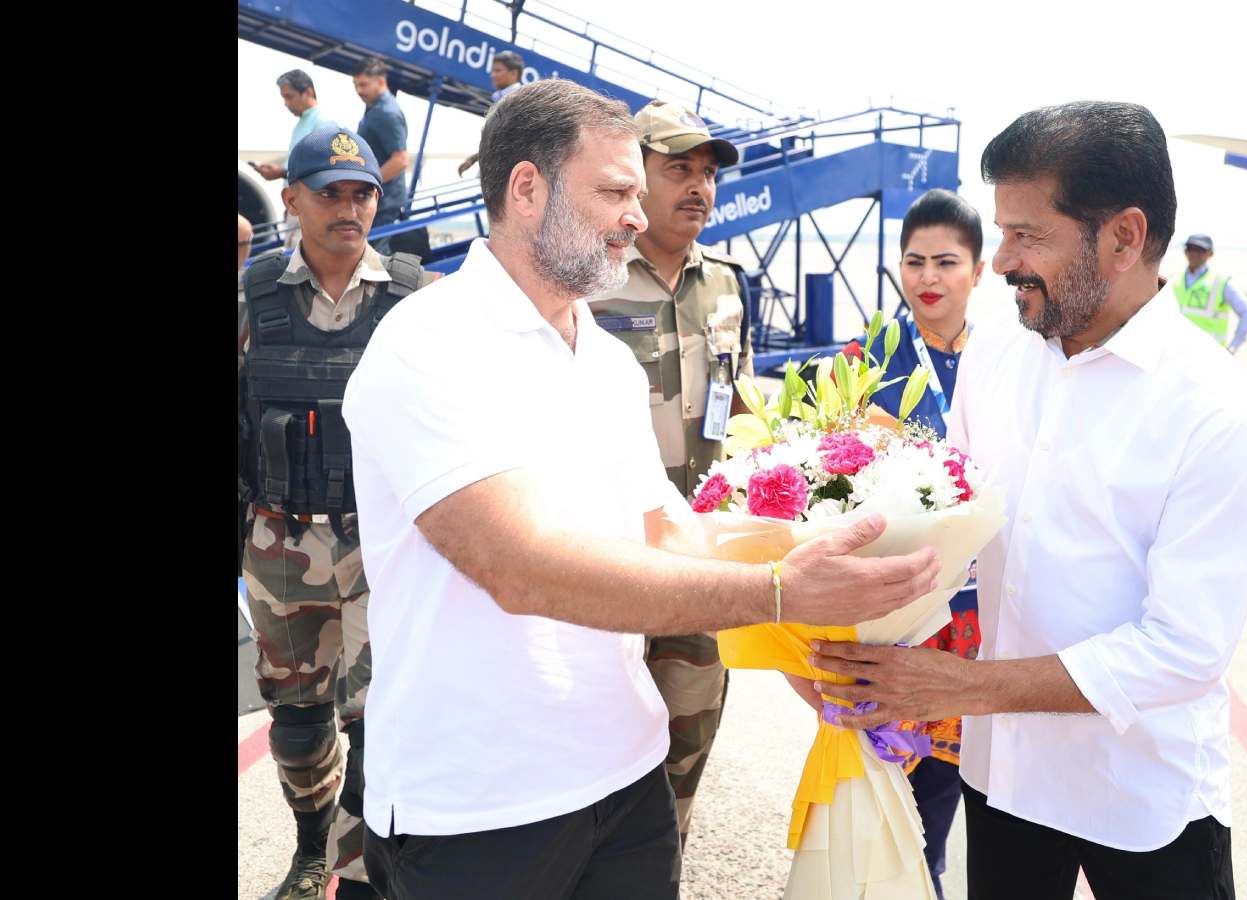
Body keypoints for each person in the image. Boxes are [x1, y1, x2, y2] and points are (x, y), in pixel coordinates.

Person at [341, 78, 941, 900]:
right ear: (526, 190)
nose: (636, 213)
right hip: (479, 808)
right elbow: (522, 568)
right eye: (617, 190)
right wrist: (773, 593)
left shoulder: (604, 359)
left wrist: (826, 625)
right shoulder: (428, 344)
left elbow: (666, 530)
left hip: (626, 780)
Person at [811, 101, 1247, 900]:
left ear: (1124, 238)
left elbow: (1183, 650)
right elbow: (949, 520)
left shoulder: (1216, 412)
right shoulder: (998, 353)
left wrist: (965, 690)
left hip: (1142, 796)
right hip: (1005, 776)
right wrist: (844, 624)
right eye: (1000, 233)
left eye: (1027, 236)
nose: (999, 262)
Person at [239, 124, 438, 900]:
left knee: (378, 715)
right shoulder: (252, 296)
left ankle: (362, 869)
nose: (348, 208)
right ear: (292, 200)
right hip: (279, 542)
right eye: (329, 193)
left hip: (385, 547)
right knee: (296, 725)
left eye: (362, 194)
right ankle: (310, 845)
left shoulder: (415, 297)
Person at [583, 98, 746, 850]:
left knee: (689, 731)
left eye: (707, 173)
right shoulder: (591, 279)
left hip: (696, 553)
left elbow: (736, 409)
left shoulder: (727, 285)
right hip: (607, 554)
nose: (698, 187)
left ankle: (663, 867)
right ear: (634, 175)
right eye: (677, 168)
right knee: (593, 740)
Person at [827, 187, 985, 900]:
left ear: (978, 271)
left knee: (944, 805)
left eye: (946, 262)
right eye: (914, 261)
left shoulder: (1008, 360)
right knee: (875, 802)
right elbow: (823, 476)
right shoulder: (868, 358)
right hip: (891, 615)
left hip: (975, 624)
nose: (928, 277)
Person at [249, 70, 329, 251]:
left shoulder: (323, 124)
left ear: (308, 92)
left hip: (309, 208)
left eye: (289, 97)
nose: (286, 104)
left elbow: (321, 168)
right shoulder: (301, 125)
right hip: (296, 206)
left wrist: (281, 173)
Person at [352, 58, 411, 251]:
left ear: (381, 81)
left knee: (376, 259)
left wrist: (366, 184)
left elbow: (401, 159)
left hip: (385, 202)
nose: (359, 91)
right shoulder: (374, 107)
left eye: (364, 84)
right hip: (380, 199)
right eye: (356, 85)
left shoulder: (386, 112)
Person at [1174, 233, 1247, 353]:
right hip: (1176, 353)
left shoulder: (1221, 283)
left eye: (1200, 250)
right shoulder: (1173, 281)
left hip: (1209, 355)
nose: (1194, 253)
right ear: (1185, 251)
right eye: (1191, 248)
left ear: (1210, 253)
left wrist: (1233, 347)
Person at [457, 50, 528, 176]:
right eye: (492, 71)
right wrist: (473, 159)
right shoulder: (500, 98)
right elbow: (495, 138)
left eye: (498, 71)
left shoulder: (518, 100)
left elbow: (507, 139)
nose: (492, 75)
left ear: (513, 73)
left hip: (504, 168)